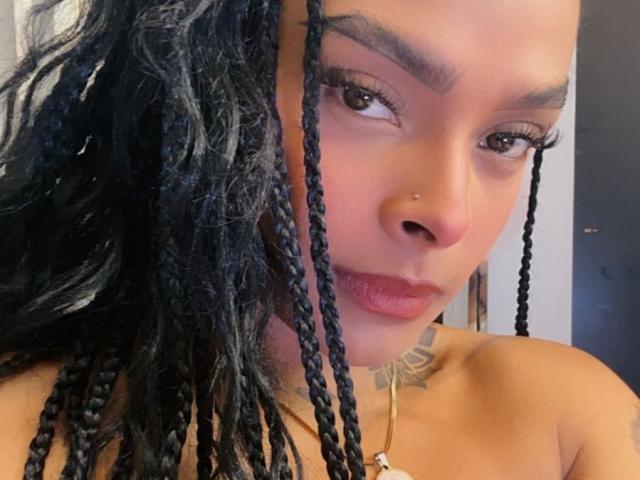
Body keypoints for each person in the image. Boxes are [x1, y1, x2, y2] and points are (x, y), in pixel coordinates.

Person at [0, 0, 637, 478]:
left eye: (508, 138)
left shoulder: (570, 421)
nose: (449, 215)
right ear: (196, 83)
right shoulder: (22, 434)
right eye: (361, 98)